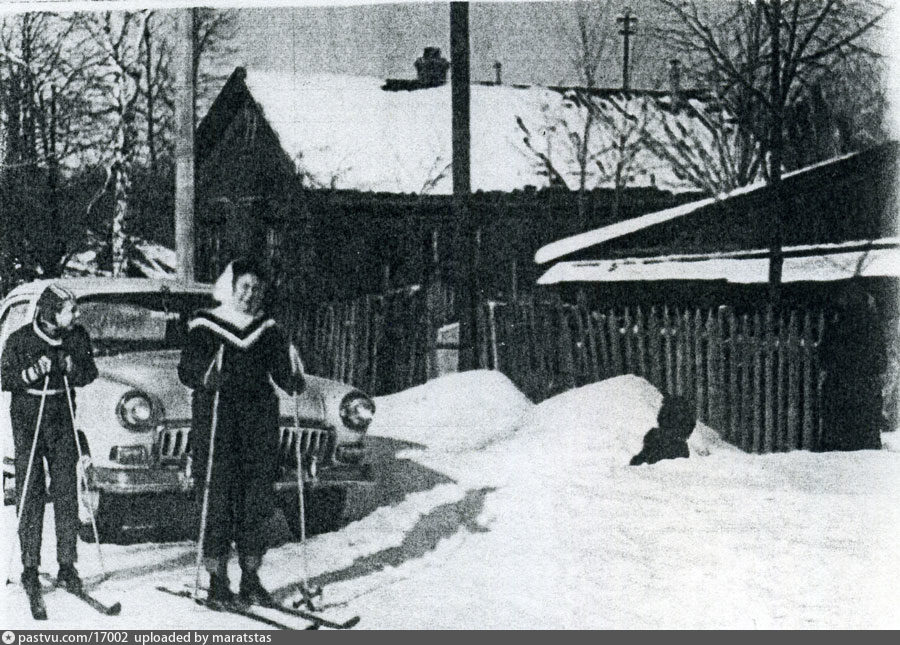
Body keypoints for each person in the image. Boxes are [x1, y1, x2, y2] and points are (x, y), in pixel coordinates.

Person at [178, 258, 305, 606]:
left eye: (257, 289)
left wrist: (293, 374)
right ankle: (217, 579)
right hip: (218, 419)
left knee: (255, 501)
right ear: (232, 287)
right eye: (245, 287)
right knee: (218, 497)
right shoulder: (205, 325)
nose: (250, 295)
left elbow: (283, 376)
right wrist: (207, 375)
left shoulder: (268, 330)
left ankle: (251, 577)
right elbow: (187, 369)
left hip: (257, 422)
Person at [1, 284, 98, 594]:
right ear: (52, 313)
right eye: (70, 309)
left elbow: (89, 372)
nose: (77, 314)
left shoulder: (76, 336)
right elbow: (5, 377)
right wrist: (32, 372)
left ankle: (67, 565)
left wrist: (73, 369)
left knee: (66, 489)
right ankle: (30, 566)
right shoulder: (21, 339)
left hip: (61, 413)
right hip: (29, 416)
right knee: (30, 489)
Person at [818, 284, 885, 451]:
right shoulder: (872, 325)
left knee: (837, 442)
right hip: (864, 388)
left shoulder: (836, 324)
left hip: (840, 386)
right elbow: (881, 361)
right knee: (864, 441)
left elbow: (824, 355)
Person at [630, 394, 695, 466]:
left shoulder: (668, 408)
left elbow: (660, 420)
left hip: (666, 439)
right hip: (675, 441)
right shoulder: (685, 409)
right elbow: (690, 425)